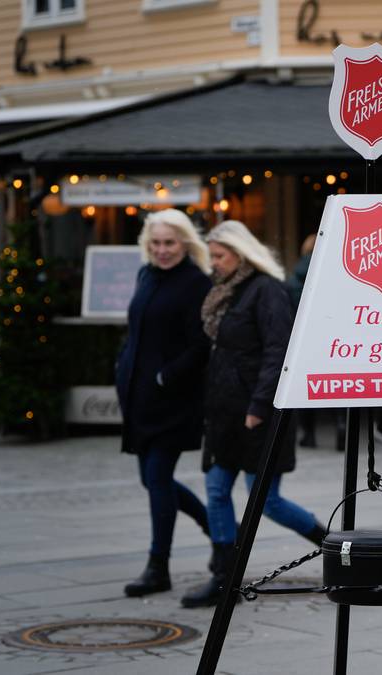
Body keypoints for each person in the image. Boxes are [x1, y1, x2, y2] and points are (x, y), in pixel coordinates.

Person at [181, 220, 327, 608]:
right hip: (225, 412)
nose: (213, 263)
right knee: (215, 490)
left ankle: (333, 545)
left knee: (267, 501)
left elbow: (279, 351)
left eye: (220, 256)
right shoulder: (224, 291)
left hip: (259, 412)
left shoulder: (267, 290)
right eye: (211, 256)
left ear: (241, 253)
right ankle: (224, 578)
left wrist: (259, 406)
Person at [116, 209, 214, 598]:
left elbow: (200, 344)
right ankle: (218, 530)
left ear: (185, 242)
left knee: (157, 478)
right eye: (155, 243)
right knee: (150, 480)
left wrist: (166, 376)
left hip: (174, 400)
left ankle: (158, 566)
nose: (162, 250)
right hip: (140, 400)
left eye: (169, 243)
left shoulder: (196, 283)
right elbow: (137, 331)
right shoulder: (146, 274)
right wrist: (122, 367)